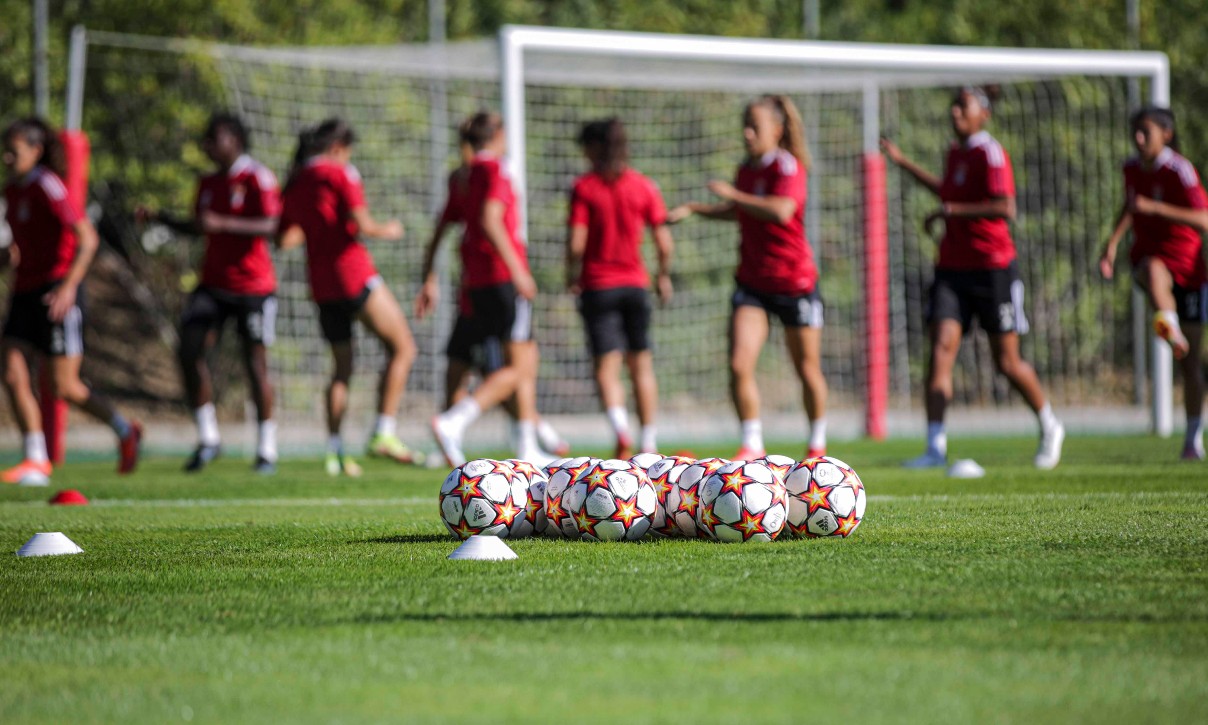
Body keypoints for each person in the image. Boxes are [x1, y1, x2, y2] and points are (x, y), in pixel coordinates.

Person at [881, 86, 1064, 470]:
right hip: (952, 269)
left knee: (1007, 362)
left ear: (984, 114)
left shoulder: (990, 153)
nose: (954, 111)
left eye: (963, 106)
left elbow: (1004, 206)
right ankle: (934, 447)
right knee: (940, 350)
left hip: (993, 268)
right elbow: (948, 193)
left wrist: (950, 211)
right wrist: (903, 162)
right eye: (953, 105)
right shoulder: (956, 152)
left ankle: (1050, 425)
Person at [668, 95, 827, 461]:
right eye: (745, 124)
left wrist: (735, 194)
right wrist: (695, 210)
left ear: (777, 129)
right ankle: (752, 445)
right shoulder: (746, 169)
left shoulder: (788, 167)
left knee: (806, 368)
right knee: (739, 364)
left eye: (755, 126)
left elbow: (782, 210)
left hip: (795, 282)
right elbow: (739, 212)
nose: (747, 132)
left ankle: (817, 445)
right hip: (753, 283)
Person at [1, 117, 141, 485]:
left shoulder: (48, 185)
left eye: (13, 152)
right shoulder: (12, 192)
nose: (7, 159)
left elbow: (88, 238)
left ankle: (125, 429)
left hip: (58, 292)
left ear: (36, 151)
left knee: (64, 387)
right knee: (11, 371)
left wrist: (67, 287)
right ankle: (35, 458)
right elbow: (18, 246)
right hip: (25, 292)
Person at [276, 118, 420, 476]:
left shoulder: (295, 181)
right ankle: (383, 433)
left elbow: (284, 238)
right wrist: (390, 229)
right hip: (353, 276)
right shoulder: (342, 173)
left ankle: (335, 450)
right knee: (403, 348)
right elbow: (365, 224)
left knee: (342, 369)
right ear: (339, 147)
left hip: (322, 285)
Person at [414, 126, 568, 460]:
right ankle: (454, 422)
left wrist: (429, 277)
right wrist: (518, 270)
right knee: (520, 365)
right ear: (496, 135)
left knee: (505, 362)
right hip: (501, 278)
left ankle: (529, 444)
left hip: (475, 284)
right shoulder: (497, 168)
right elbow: (490, 218)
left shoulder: (462, 175)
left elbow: (440, 229)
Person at [140, 113, 281, 473]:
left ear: (234, 139)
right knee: (188, 349)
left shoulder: (257, 178)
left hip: (254, 287)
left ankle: (266, 449)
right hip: (213, 285)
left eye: (213, 138)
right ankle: (209, 439)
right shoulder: (207, 182)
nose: (206, 145)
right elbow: (199, 226)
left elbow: (273, 225)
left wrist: (224, 223)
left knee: (255, 364)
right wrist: (161, 218)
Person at [1098, 106, 1208, 460]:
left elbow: (1204, 218)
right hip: (1152, 259)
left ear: (1167, 134)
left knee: (1190, 365)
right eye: (1135, 131)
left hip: (1189, 267)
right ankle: (1168, 322)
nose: (1138, 138)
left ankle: (1192, 438)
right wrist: (1112, 244)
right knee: (1153, 269)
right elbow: (1131, 207)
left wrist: (1157, 209)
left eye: (1145, 131)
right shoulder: (1131, 168)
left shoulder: (1181, 171)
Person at [566, 118, 674, 458]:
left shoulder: (585, 187)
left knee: (606, 369)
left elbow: (576, 243)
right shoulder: (643, 186)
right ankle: (649, 443)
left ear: (594, 147)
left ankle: (621, 432)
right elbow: (664, 242)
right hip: (635, 286)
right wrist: (663, 275)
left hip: (598, 287)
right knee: (641, 365)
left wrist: (572, 273)